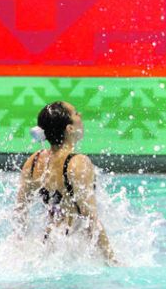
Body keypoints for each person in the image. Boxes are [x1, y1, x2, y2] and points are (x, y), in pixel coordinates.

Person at [13, 101, 118, 265]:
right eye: (75, 113)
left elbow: (20, 211)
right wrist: (112, 261)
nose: (80, 116)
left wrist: (19, 247)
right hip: (72, 253)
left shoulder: (34, 161)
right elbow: (90, 219)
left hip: (48, 249)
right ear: (69, 128)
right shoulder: (78, 163)